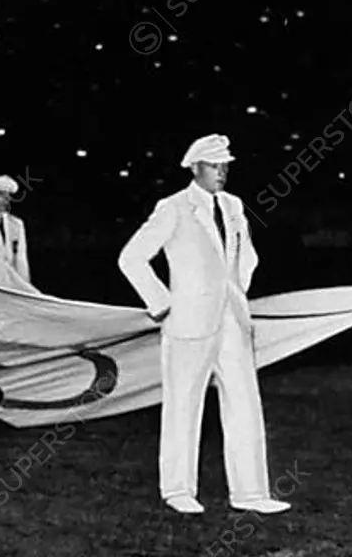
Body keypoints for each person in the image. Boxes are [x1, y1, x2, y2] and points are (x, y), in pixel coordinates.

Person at [117, 134, 291, 515]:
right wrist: (163, 305)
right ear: (195, 167)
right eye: (215, 166)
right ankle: (177, 489)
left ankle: (251, 492)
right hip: (187, 322)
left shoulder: (233, 206)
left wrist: (237, 294)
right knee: (183, 403)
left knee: (245, 401)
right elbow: (131, 258)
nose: (222, 172)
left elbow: (247, 257)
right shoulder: (173, 208)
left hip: (231, 319)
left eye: (226, 166)